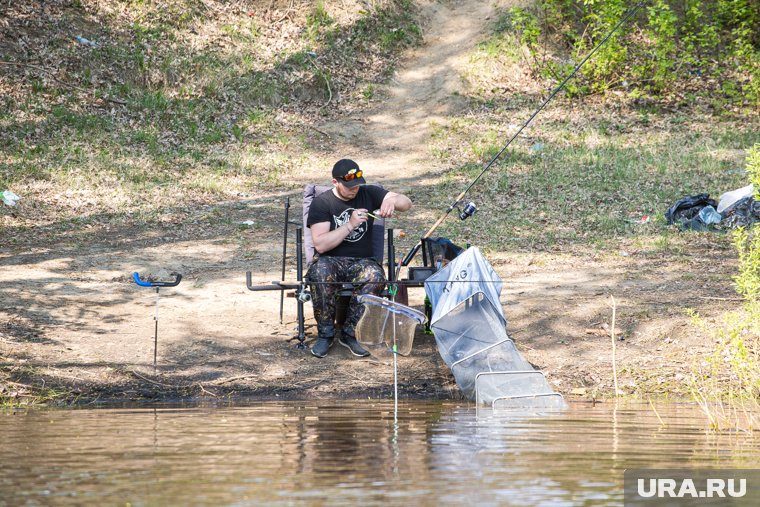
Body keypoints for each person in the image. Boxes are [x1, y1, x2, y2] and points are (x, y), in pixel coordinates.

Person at [306, 159, 412, 358]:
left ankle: (350, 332)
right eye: (348, 186)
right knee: (320, 272)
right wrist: (350, 225)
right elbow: (320, 244)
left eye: (357, 185)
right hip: (330, 259)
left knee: (375, 276)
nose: (354, 189)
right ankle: (326, 333)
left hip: (362, 260)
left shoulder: (368, 193)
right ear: (335, 182)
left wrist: (392, 200)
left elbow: (407, 204)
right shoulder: (322, 203)